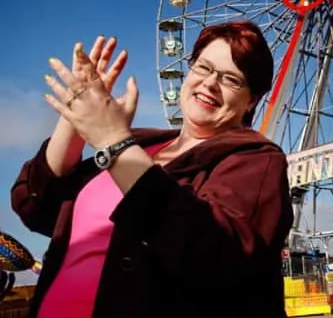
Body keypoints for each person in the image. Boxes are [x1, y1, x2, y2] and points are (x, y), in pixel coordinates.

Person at [11, 21, 293, 318]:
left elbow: (214, 253)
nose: (210, 83)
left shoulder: (257, 160)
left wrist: (112, 140)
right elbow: (37, 207)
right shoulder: (140, 144)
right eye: (203, 68)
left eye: (231, 79)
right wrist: (78, 111)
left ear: (251, 100)